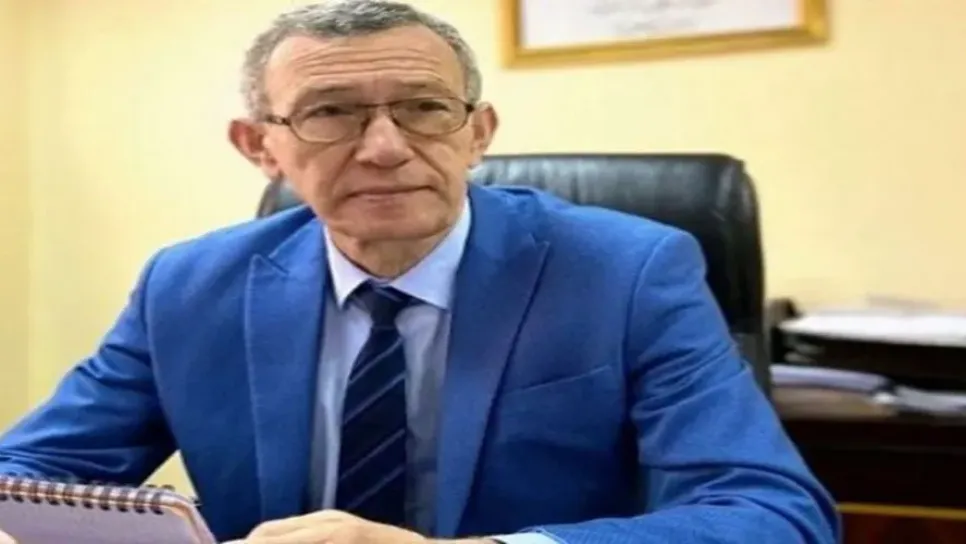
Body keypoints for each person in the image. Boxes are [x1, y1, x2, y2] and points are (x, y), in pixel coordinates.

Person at [0, 1, 839, 543]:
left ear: (478, 133)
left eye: (425, 108)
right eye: (331, 113)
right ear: (261, 148)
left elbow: (774, 514)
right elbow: (25, 481)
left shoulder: (627, 272)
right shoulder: (189, 287)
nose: (385, 148)